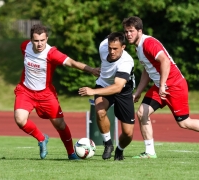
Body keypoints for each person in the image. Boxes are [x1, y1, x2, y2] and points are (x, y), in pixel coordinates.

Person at [122, 16, 199, 158]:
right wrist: (138, 92)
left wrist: (162, 85)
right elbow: (147, 70)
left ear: (140, 31)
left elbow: (165, 62)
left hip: (174, 85)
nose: (128, 34)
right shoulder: (139, 48)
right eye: (126, 32)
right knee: (142, 114)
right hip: (160, 86)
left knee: (184, 123)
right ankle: (150, 152)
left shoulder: (148, 43)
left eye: (131, 31)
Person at [14, 24, 99, 160]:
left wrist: (91, 70)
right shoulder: (25, 47)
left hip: (46, 94)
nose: (39, 44)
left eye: (42, 40)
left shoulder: (52, 53)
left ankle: (71, 153)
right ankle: (42, 139)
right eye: (36, 41)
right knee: (19, 119)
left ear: (47, 38)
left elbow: (72, 63)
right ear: (31, 40)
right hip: (25, 91)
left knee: (59, 124)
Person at [78, 32, 135, 161]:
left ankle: (119, 150)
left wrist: (92, 91)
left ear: (123, 47)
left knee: (128, 133)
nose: (111, 51)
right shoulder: (103, 46)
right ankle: (108, 144)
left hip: (123, 90)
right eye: (110, 47)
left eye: (115, 48)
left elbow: (117, 87)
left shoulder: (126, 62)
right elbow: (108, 37)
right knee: (100, 112)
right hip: (103, 84)